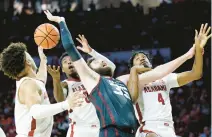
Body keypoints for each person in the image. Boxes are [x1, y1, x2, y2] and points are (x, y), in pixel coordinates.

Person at [44, 10, 203, 137]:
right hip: (105, 130)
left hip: (129, 131)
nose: (102, 61)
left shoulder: (120, 81)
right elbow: (71, 49)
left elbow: (159, 72)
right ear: (90, 69)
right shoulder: (94, 81)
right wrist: (61, 22)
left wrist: (189, 54)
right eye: (95, 61)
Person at [120, 23, 211, 137]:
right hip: (148, 128)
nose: (142, 59)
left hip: (169, 128)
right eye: (137, 59)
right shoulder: (133, 81)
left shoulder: (164, 78)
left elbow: (195, 74)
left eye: (144, 57)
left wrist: (198, 49)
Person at [0, 44, 84, 137]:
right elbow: (35, 111)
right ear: (28, 61)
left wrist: (43, 60)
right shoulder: (28, 85)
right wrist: (67, 104)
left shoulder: (32, 82)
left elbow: (41, 79)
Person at [47, 34, 116, 137]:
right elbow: (60, 100)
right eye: (65, 62)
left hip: (101, 128)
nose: (69, 63)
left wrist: (91, 52)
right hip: (79, 130)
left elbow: (111, 66)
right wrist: (56, 79)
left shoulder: (92, 77)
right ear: (62, 69)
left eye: (71, 60)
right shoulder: (65, 84)